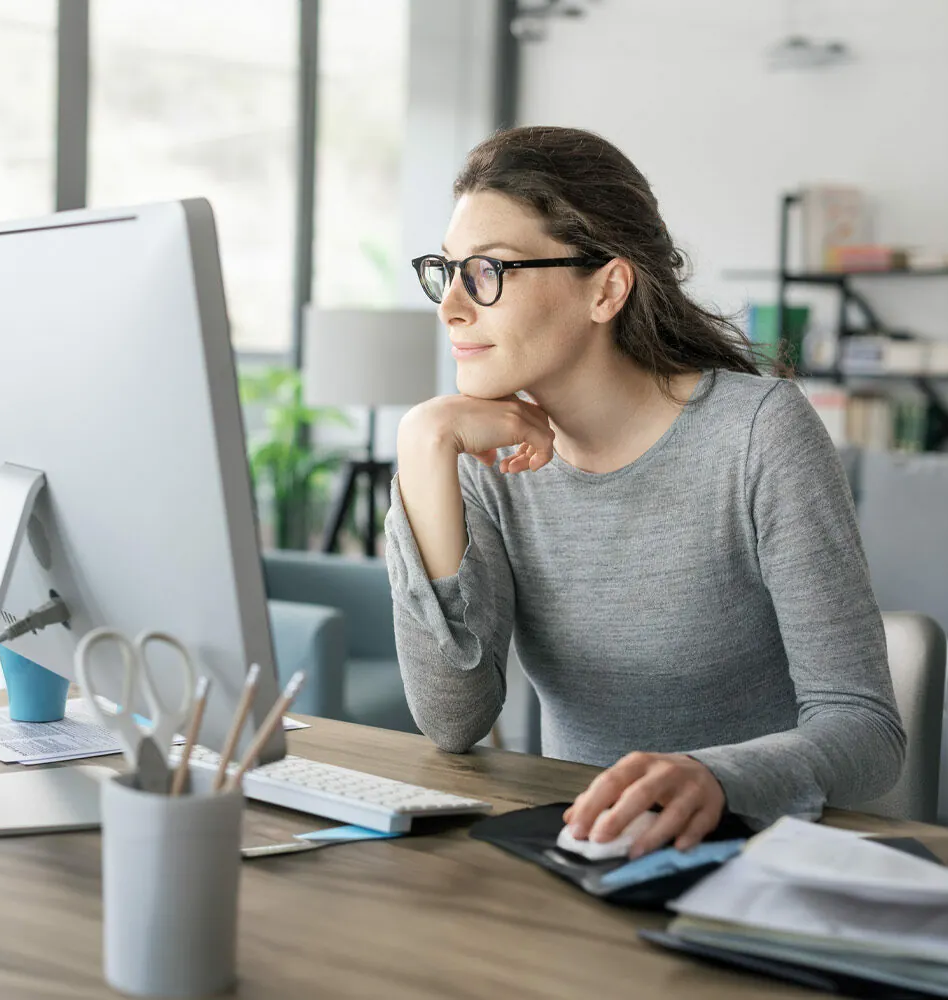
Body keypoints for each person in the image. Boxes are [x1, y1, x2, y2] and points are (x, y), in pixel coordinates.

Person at [384, 125, 903, 860]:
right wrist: (423, 447)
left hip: (756, 856)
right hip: (578, 855)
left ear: (608, 288)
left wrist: (711, 777)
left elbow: (865, 729)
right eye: (448, 271)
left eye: (490, 271)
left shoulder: (758, 434)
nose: (453, 308)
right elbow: (452, 719)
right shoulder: (479, 457)